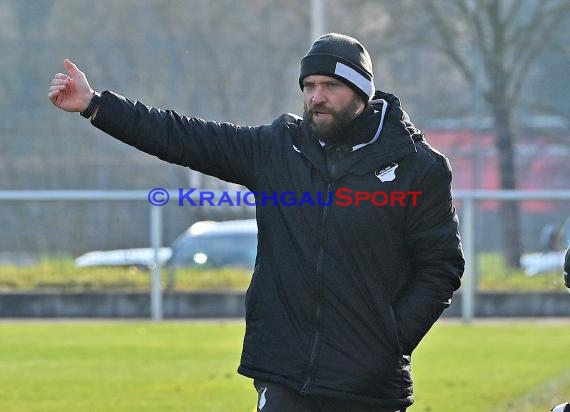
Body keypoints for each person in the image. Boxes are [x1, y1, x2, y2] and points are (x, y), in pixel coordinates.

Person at [49, 33, 464, 412]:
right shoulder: (278, 148)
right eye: (308, 86)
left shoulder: (416, 167)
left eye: (331, 86)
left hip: (368, 384)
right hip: (283, 375)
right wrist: (96, 106)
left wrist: (388, 342)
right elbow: (182, 136)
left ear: (361, 92)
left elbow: (441, 266)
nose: (316, 97)